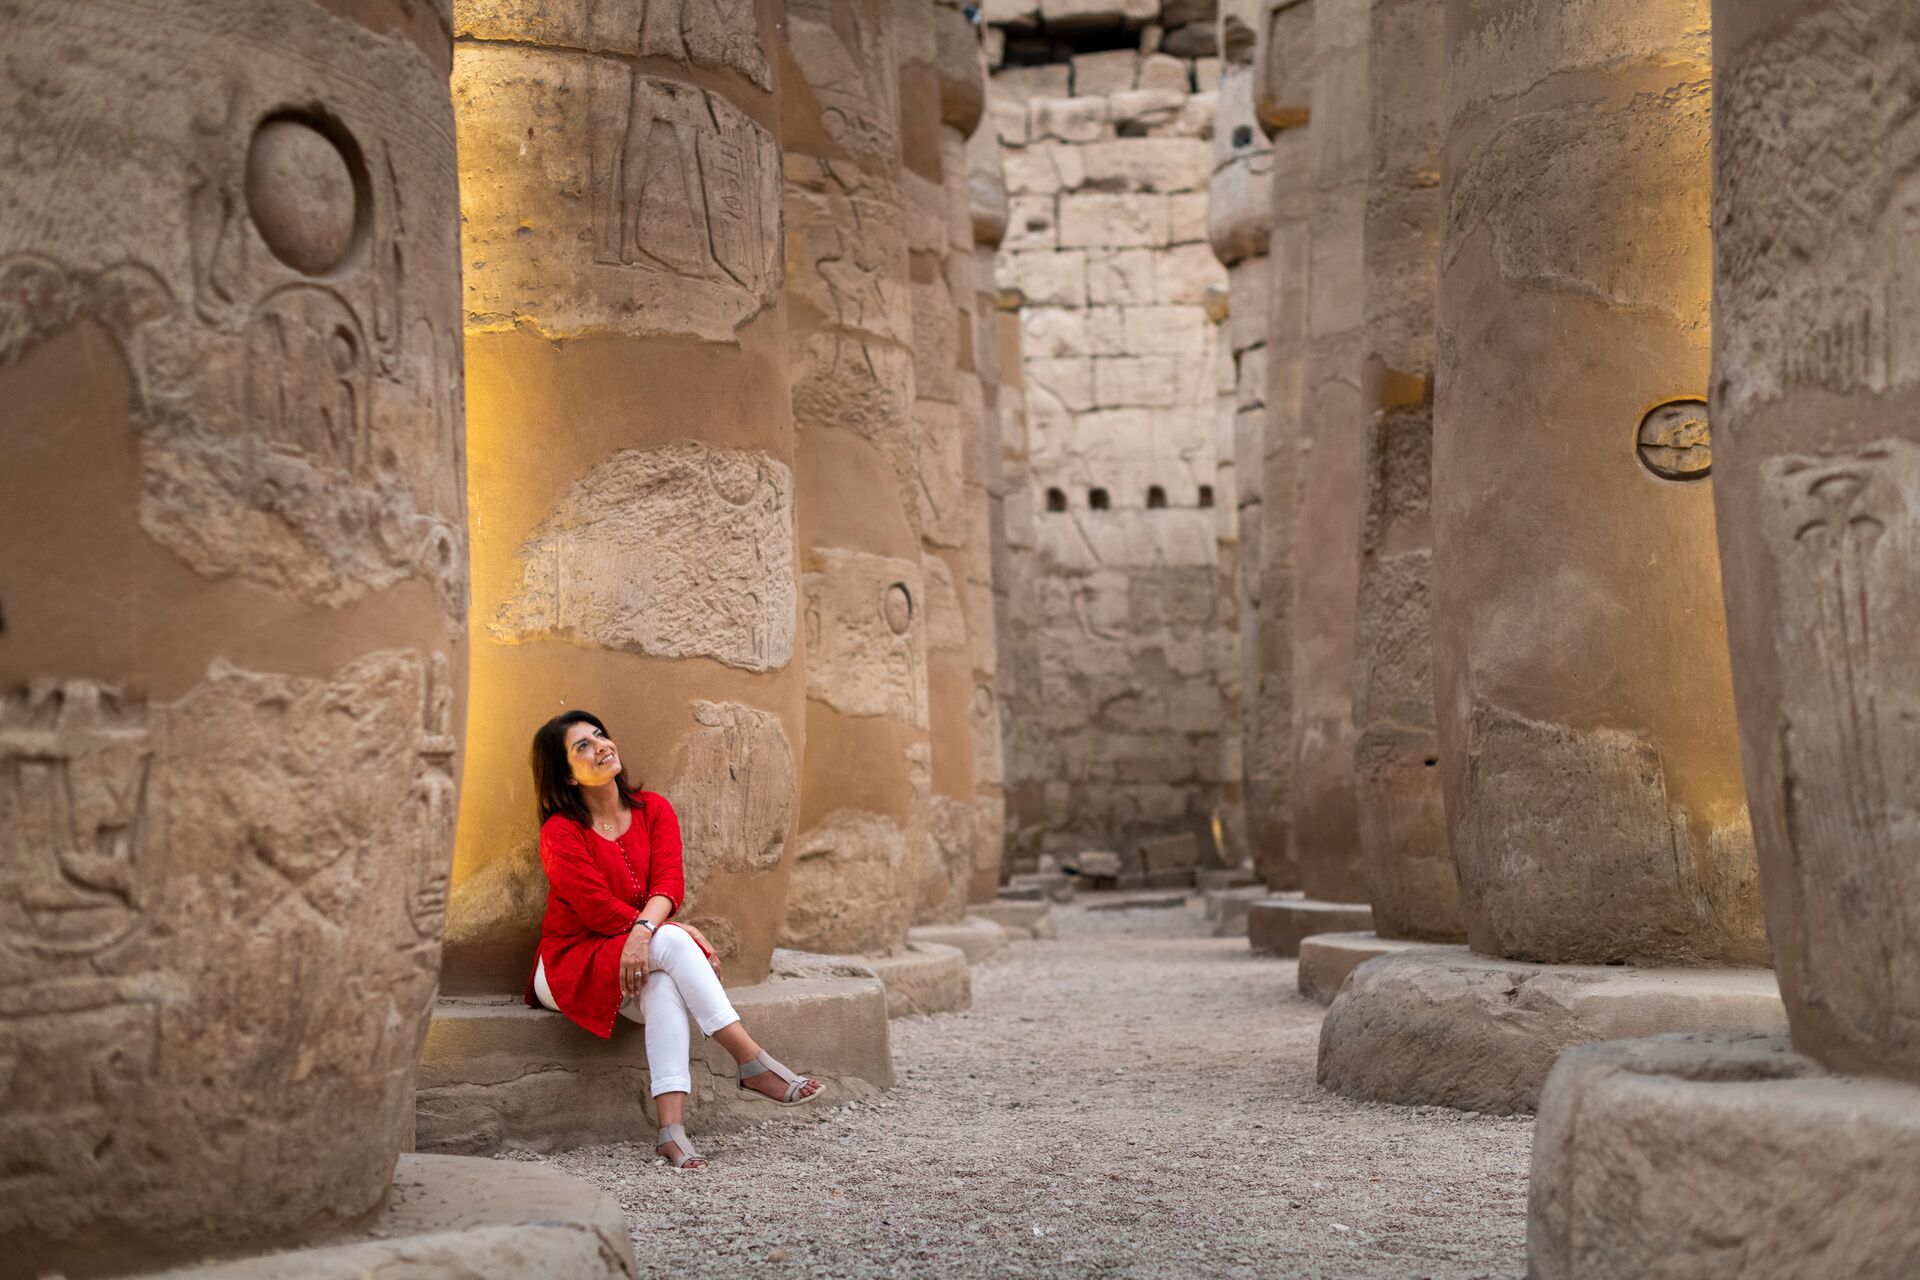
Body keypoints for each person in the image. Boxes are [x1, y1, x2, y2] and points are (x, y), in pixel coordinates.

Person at [525, 709, 823, 1170]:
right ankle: (752, 1062)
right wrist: (665, 929)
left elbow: (669, 885)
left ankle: (672, 1131)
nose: (601, 745)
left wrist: (649, 931)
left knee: (664, 984)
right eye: (582, 745)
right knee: (676, 944)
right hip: (569, 964)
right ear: (566, 774)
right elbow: (595, 909)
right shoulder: (560, 833)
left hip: (636, 955)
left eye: (601, 735)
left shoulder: (653, 810)